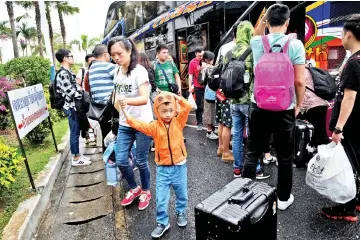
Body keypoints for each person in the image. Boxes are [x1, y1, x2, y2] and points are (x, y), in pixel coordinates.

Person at [242, 4, 306, 211]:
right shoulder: (295, 45)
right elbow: (299, 82)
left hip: (259, 104)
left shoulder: (257, 42)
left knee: (253, 151)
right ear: (287, 22)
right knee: (284, 155)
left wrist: (263, 20)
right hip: (284, 107)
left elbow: (256, 32)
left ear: (267, 22)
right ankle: (284, 198)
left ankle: (245, 193)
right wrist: (298, 104)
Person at [119, 91, 191, 238]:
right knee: (161, 198)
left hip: (179, 166)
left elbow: (188, 106)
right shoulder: (154, 126)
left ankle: (180, 212)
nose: (168, 114)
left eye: (171, 110)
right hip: (163, 169)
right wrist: (124, 110)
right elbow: (135, 124)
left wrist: (175, 97)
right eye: (164, 111)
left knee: (182, 194)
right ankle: (162, 222)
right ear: (156, 111)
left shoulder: (179, 121)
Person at [322, 14, 360, 222]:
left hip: (351, 125)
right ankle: (356, 200)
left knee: (348, 165)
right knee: (356, 161)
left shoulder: (354, 62)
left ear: (348, 34)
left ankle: (346, 208)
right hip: (357, 123)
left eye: (342, 33)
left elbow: (349, 97)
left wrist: (338, 129)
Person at [109, 36, 153, 210]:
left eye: (119, 53)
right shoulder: (116, 72)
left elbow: (144, 98)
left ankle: (146, 191)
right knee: (120, 160)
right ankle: (135, 188)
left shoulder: (139, 71)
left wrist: (125, 100)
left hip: (142, 123)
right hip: (125, 124)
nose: (116, 58)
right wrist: (118, 105)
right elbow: (116, 97)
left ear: (129, 51)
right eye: (113, 55)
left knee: (141, 161)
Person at [224, 21, 270, 179]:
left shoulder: (228, 53)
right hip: (249, 101)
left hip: (233, 102)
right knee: (253, 135)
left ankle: (237, 168)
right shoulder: (253, 51)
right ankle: (256, 168)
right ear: (250, 33)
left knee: (236, 135)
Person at [55, 49, 91, 166]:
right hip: (70, 107)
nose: (72, 57)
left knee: (75, 130)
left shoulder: (67, 72)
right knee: (74, 132)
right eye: (70, 56)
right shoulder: (63, 73)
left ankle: (78, 155)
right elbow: (70, 91)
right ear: (65, 58)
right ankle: (75, 158)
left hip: (73, 106)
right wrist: (83, 95)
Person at [88, 44, 118, 153]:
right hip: (109, 107)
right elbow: (124, 73)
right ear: (105, 54)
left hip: (99, 108)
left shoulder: (91, 67)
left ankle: (107, 160)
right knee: (114, 133)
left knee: (105, 133)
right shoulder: (107, 66)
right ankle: (113, 159)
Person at [299, 65, 330, 150]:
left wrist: (299, 108)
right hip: (321, 103)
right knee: (318, 132)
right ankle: (318, 155)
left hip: (313, 106)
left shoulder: (300, 72)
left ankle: (327, 156)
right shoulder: (310, 70)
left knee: (319, 134)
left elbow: (302, 92)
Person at [201, 51, 218, 140]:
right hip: (210, 91)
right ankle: (209, 131)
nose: (213, 61)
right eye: (212, 59)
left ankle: (212, 129)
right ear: (208, 60)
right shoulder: (208, 68)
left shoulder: (204, 67)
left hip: (208, 90)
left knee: (210, 110)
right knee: (209, 111)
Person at [188, 47, 205, 130]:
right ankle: (199, 122)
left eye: (202, 56)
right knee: (199, 106)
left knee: (209, 105)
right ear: (195, 54)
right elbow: (190, 75)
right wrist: (189, 87)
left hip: (207, 86)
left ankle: (211, 124)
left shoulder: (206, 60)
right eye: (199, 56)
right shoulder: (192, 62)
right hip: (197, 86)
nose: (201, 58)